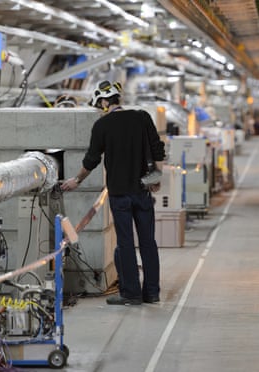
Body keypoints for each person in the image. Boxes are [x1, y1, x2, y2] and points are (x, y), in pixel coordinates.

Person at [61, 80, 165, 305]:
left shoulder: (102, 126)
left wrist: (76, 180)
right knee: (148, 242)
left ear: (106, 101)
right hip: (143, 190)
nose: (101, 108)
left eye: (101, 104)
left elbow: (91, 160)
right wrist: (157, 176)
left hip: (119, 194)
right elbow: (158, 147)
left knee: (126, 243)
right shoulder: (142, 117)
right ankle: (152, 292)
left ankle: (131, 293)